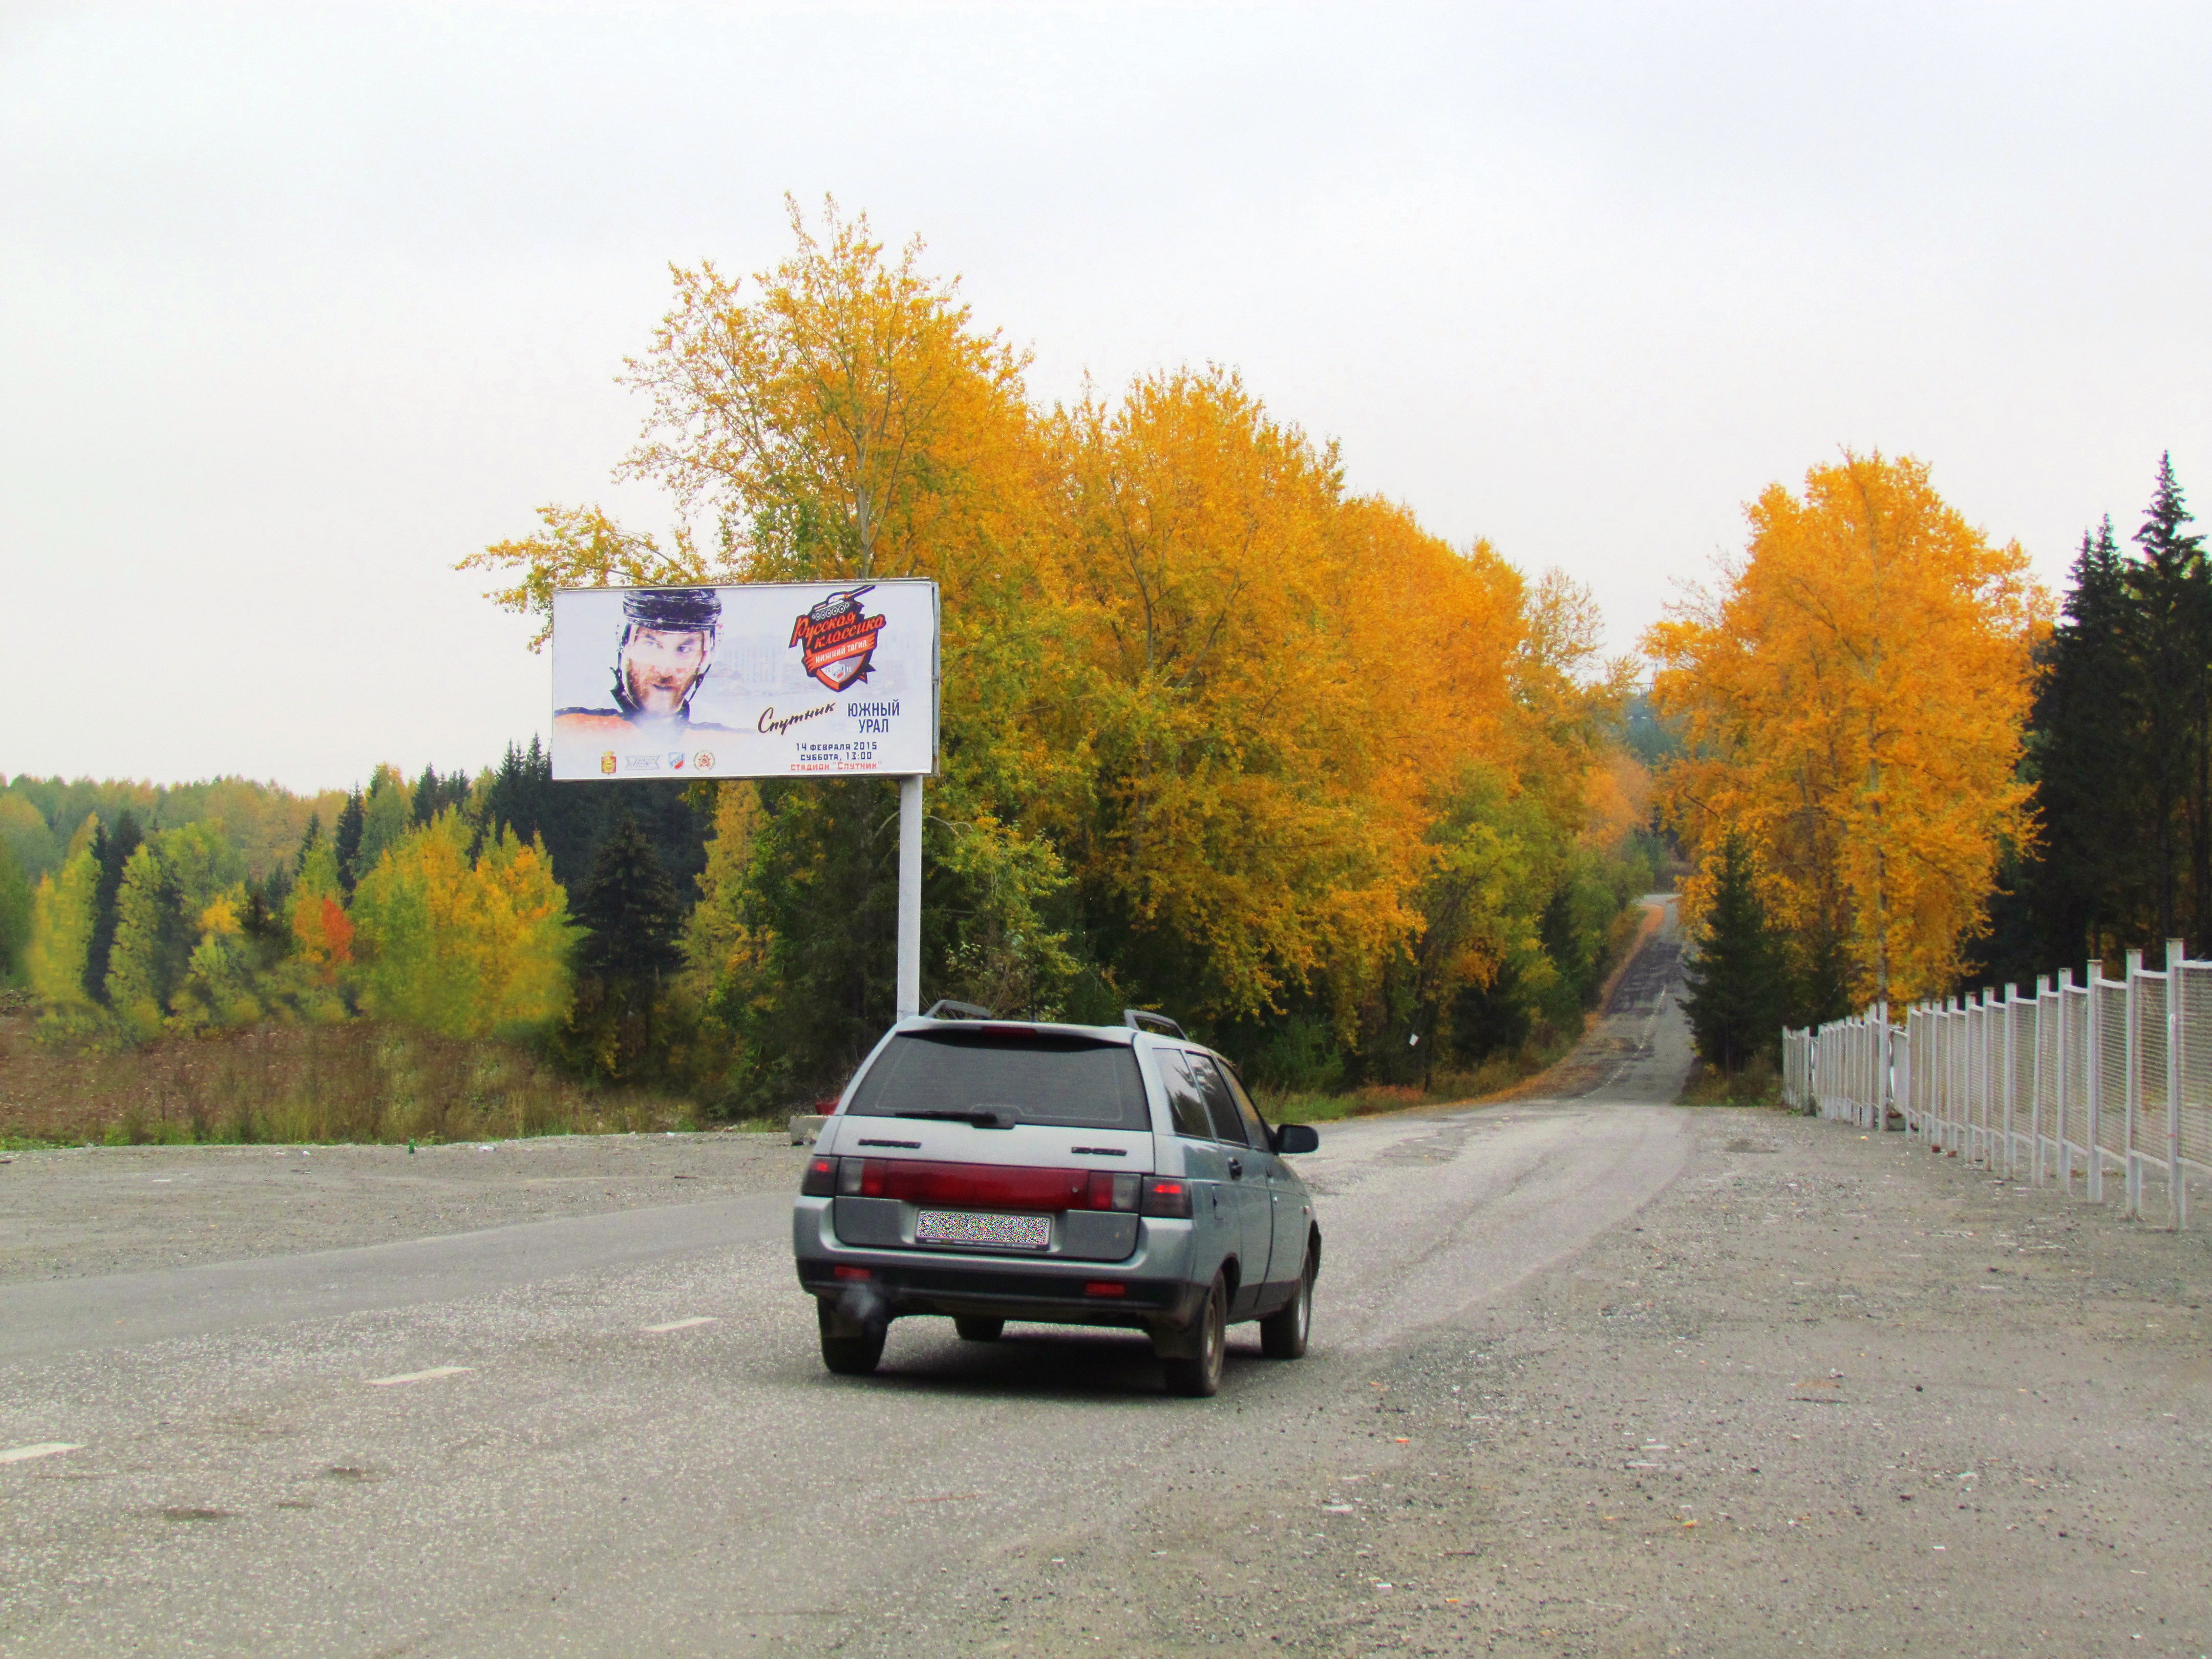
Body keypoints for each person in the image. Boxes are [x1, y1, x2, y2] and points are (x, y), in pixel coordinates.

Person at [555, 587, 739, 751]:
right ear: (625, 642)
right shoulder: (572, 727)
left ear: (705, 655)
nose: (666, 670)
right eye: (651, 645)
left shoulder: (728, 736)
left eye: (684, 649)